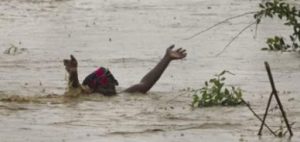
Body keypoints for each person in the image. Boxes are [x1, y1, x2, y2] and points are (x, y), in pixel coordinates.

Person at [63, 45, 187, 96]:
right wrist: (73, 73)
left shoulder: (121, 94)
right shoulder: (91, 94)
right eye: (108, 84)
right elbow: (76, 90)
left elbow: (145, 84)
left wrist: (167, 58)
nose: (112, 87)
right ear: (96, 88)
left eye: (111, 83)